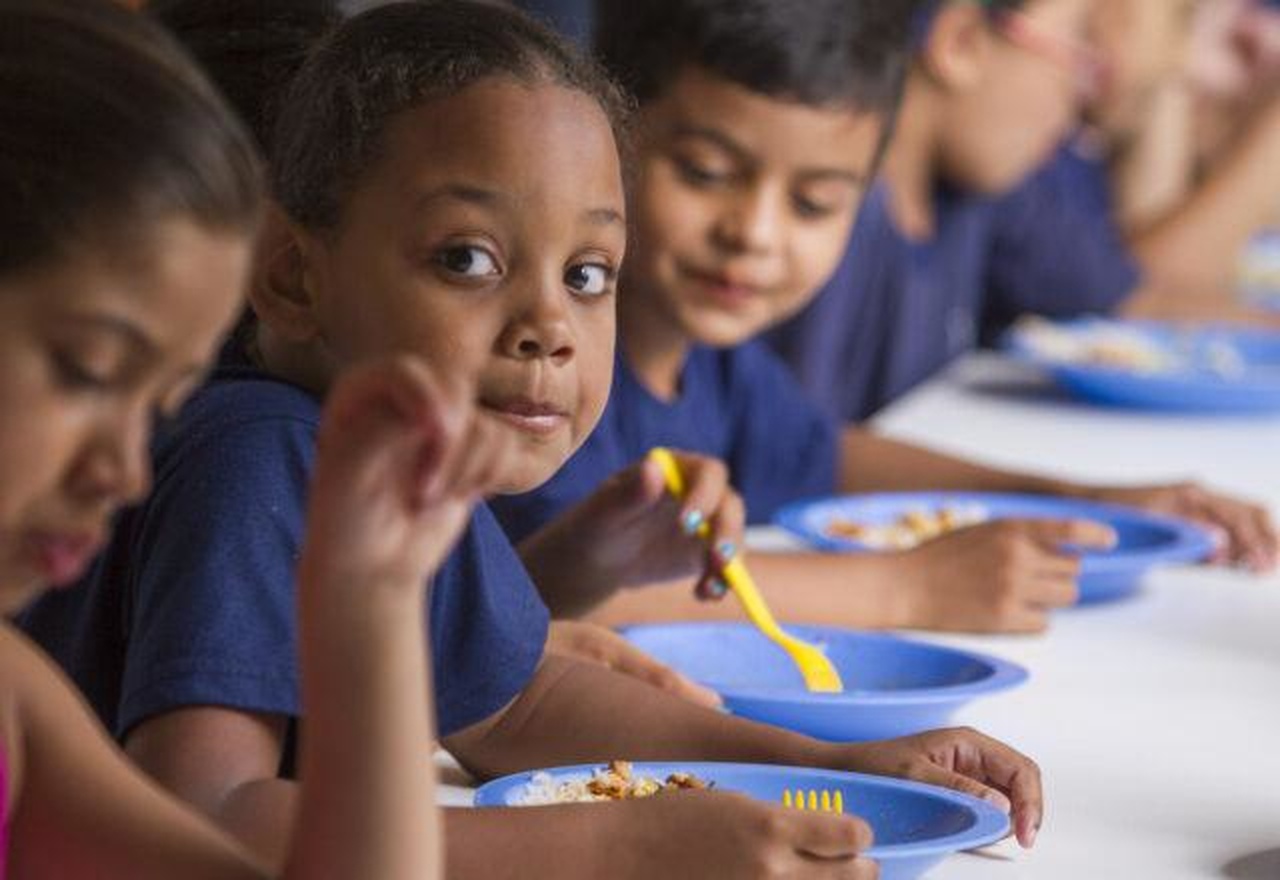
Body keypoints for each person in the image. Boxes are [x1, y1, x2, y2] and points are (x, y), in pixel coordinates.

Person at [20, 3, 1047, 878]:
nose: (547, 324)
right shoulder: (257, 454)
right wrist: (612, 844)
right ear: (292, 274)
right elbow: (215, 813)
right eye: (466, 258)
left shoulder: (388, 464)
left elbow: (522, 700)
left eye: (588, 274)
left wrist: (829, 765)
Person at [493, 0, 1276, 640]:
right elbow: (559, 590)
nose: (754, 234)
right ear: (607, 137)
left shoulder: (710, 358)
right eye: (705, 173)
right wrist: (901, 588)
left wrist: (1081, 498)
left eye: (813, 203)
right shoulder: (550, 356)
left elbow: (827, 455)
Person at [0, 1, 513, 876]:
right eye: (87, 370)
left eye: (161, 407)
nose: (123, 472)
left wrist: (367, 600)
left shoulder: (13, 704)